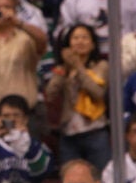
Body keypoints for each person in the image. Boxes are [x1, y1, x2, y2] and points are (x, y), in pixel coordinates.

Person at [45, 23, 110, 172]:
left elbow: (97, 92)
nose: (80, 41)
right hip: (69, 135)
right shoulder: (65, 69)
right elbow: (50, 94)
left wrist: (78, 67)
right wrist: (63, 69)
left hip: (95, 131)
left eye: (84, 37)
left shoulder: (101, 66)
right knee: (70, 177)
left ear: (93, 44)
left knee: (103, 179)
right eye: (75, 38)